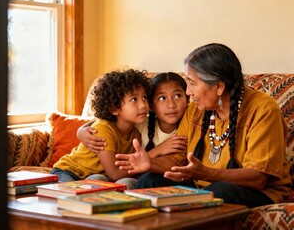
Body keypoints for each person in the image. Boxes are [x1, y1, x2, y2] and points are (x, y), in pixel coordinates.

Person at [115, 43, 293, 208]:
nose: (187, 92)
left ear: (219, 87)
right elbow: (179, 159)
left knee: (219, 191)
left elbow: (258, 178)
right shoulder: (195, 110)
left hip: (258, 192)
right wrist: (151, 163)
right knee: (149, 181)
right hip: (203, 185)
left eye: (192, 83)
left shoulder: (263, 110)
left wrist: (205, 173)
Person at [50, 69, 152, 189]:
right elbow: (114, 174)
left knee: (100, 183)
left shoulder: (136, 132)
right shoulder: (103, 129)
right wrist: (154, 153)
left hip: (95, 177)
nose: (143, 105)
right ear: (114, 108)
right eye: (134, 99)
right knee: (69, 194)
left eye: (144, 97)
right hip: (68, 172)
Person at [77, 72, 189, 161]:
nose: (171, 105)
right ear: (151, 105)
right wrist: (81, 131)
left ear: (188, 99)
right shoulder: (141, 122)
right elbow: (108, 121)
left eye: (178, 96)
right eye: (162, 98)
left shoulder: (192, 124)